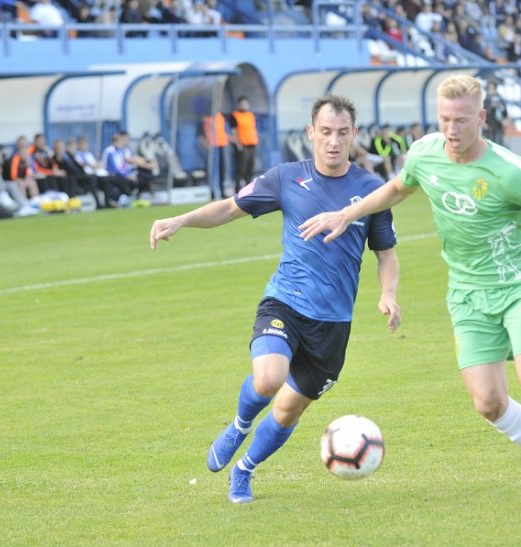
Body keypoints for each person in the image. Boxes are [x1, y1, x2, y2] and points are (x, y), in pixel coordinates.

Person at [300, 75, 521, 511]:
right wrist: (349, 214)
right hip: (467, 294)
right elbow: (398, 188)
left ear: (481, 117)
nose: (452, 130)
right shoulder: (425, 153)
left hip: (518, 284)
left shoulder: (510, 171)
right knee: (489, 402)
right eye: (444, 119)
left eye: (461, 120)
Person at [149, 95, 401, 504]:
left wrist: (388, 294)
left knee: (287, 411)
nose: (333, 142)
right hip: (285, 301)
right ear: (310, 133)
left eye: (342, 133)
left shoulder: (372, 192)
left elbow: (386, 254)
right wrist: (182, 219)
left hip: (333, 324)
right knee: (267, 378)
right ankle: (240, 423)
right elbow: (230, 209)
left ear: (353, 135)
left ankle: (244, 472)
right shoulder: (285, 178)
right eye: (325, 133)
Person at [229, 96, 259, 193]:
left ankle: (249, 187)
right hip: (242, 145)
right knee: (241, 168)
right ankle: (237, 188)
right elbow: (233, 131)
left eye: (246, 103)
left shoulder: (250, 115)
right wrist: (238, 144)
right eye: (242, 103)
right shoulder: (235, 115)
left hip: (252, 144)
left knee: (250, 166)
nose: (245, 105)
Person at [483, 81, 510, 146]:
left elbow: (505, 113)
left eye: (493, 87)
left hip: (498, 126)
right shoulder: (486, 100)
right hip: (488, 126)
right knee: (489, 144)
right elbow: (482, 111)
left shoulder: (500, 100)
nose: (491, 90)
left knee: (499, 143)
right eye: (490, 88)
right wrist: (483, 123)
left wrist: (505, 120)